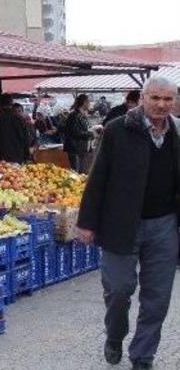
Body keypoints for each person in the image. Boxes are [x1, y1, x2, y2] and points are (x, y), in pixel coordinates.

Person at [76, 77, 180, 370]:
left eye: (168, 99)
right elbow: (98, 178)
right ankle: (115, 335)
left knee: (157, 298)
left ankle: (143, 357)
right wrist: (86, 221)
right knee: (119, 289)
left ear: (175, 101)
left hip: (164, 226)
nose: (161, 105)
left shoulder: (178, 132)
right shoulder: (118, 129)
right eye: (155, 98)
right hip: (120, 224)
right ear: (143, 98)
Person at [0, 94, 29, 164]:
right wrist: (26, 156)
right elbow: (26, 139)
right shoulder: (19, 119)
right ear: (11, 103)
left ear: (0, 104)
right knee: (15, 175)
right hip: (16, 158)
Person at [63, 94, 93, 173]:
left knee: (82, 172)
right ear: (84, 103)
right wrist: (91, 134)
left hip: (82, 148)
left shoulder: (82, 115)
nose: (90, 104)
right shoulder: (74, 115)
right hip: (75, 148)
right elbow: (75, 132)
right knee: (76, 172)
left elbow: (84, 129)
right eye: (88, 102)